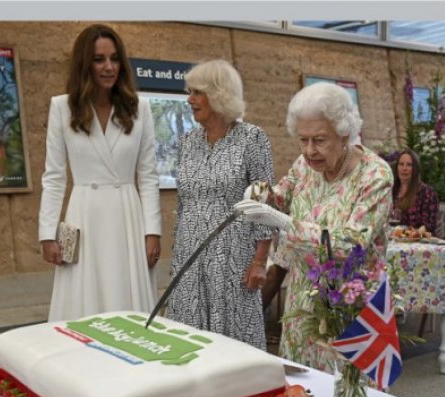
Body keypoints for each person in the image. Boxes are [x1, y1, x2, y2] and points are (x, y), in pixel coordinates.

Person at [235, 82, 393, 372]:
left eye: (319, 140)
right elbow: (280, 196)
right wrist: (259, 193)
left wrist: (282, 222)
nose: (309, 151)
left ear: (344, 133)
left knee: (351, 394)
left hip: (350, 301)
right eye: (303, 140)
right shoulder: (304, 164)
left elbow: (351, 243)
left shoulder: (375, 174)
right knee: (303, 386)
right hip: (303, 298)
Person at [38, 24, 161, 322]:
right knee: (83, 304)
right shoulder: (62, 108)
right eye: (99, 59)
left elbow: (148, 176)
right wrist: (47, 233)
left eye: (115, 59)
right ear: (85, 64)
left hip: (127, 216)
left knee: (128, 299)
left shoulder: (139, 108)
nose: (109, 67)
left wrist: (152, 231)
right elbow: (54, 177)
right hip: (84, 215)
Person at [165, 59, 275, 350]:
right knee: (188, 339)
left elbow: (263, 201)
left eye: (197, 92)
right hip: (190, 255)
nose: (190, 100)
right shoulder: (188, 141)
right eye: (190, 92)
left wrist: (260, 260)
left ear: (219, 94)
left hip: (233, 257)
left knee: (233, 341)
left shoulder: (252, 138)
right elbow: (184, 202)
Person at [392, 149, 439, 233]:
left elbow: (429, 225)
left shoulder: (427, 192)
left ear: (416, 169)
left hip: (418, 241)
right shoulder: (391, 191)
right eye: (401, 164)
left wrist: (413, 234)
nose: (404, 168)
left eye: (409, 165)